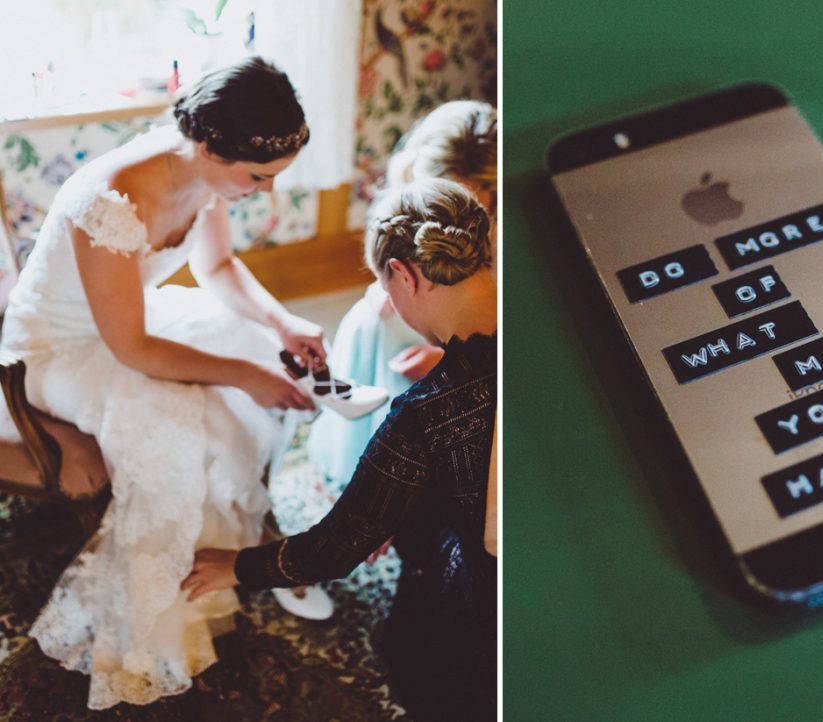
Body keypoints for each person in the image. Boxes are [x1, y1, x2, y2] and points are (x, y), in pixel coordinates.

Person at [0, 56, 346, 709]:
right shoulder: (110, 202)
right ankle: (151, 634)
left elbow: (217, 266)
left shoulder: (206, 176)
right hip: (58, 350)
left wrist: (282, 322)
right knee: (176, 428)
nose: (265, 191)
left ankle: (231, 548)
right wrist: (245, 377)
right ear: (209, 145)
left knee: (252, 354)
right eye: (258, 177)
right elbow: (130, 349)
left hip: (126, 321)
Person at [183, 178, 498, 721]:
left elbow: (336, 547)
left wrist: (235, 565)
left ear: (403, 275)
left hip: (485, 600)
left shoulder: (425, 414)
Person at [305, 100, 497, 493]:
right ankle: (369, 456)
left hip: (482, 338)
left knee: (400, 340)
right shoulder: (407, 203)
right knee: (374, 320)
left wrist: (452, 364)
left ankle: (406, 482)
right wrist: (384, 290)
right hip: (430, 315)